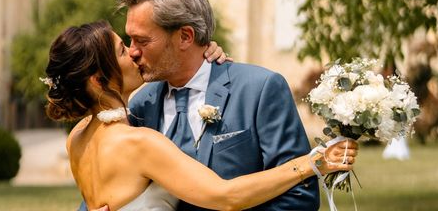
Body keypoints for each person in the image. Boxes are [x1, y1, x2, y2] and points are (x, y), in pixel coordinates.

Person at [44, 20, 359, 210]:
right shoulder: (138, 143)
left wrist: (198, 56)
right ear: (98, 80)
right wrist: (311, 163)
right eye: (123, 51)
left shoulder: (78, 137)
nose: (135, 52)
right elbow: (226, 196)